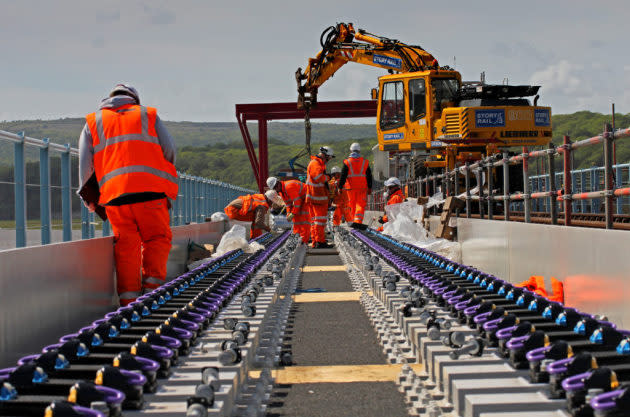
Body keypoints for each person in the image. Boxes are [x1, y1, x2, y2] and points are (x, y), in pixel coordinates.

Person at [78, 84, 178, 306]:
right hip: (151, 192)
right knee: (157, 238)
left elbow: (85, 164)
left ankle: (129, 303)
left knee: (126, 247)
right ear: (134, 100)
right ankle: (153, 293)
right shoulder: (148, 115)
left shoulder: (93, 122)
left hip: (115, 196)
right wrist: (161, 176)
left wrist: (89, 197)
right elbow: (169, 149)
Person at [266, 176, 310, 244]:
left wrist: (293, 213)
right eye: (274, 188)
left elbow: (297, 202)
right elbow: (288, 204)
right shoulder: (281, 192)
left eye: (276, 186)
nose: (276, 189)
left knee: (303, 220)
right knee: (296, 221)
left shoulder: (289, 187)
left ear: (278, 183)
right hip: (301, 200)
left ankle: (304, 241)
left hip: (307, 198)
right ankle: (297, 237)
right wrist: (289, 213)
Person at [338, 142, 373, 228]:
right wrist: (369, 187)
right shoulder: (365, 162)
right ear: (359, 151)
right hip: (362, 188)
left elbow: (343, 176)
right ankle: (358, 221)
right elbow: (369, 176)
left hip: (350, 189)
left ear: (351, 150)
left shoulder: (347, 162)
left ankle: (354, 220)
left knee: (352, 205)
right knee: (360, 205)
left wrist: (340, 187)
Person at [306, 146, 335, 248]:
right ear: (324, 155)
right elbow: (319, 178)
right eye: (329, 158)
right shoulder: (315, 163)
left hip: (315, 197)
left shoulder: (317, 163)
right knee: (320, 221)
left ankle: (316, 241)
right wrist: (328, 177)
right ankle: (320, 241)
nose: (329, 160)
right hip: (317, 197)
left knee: (315, 221)